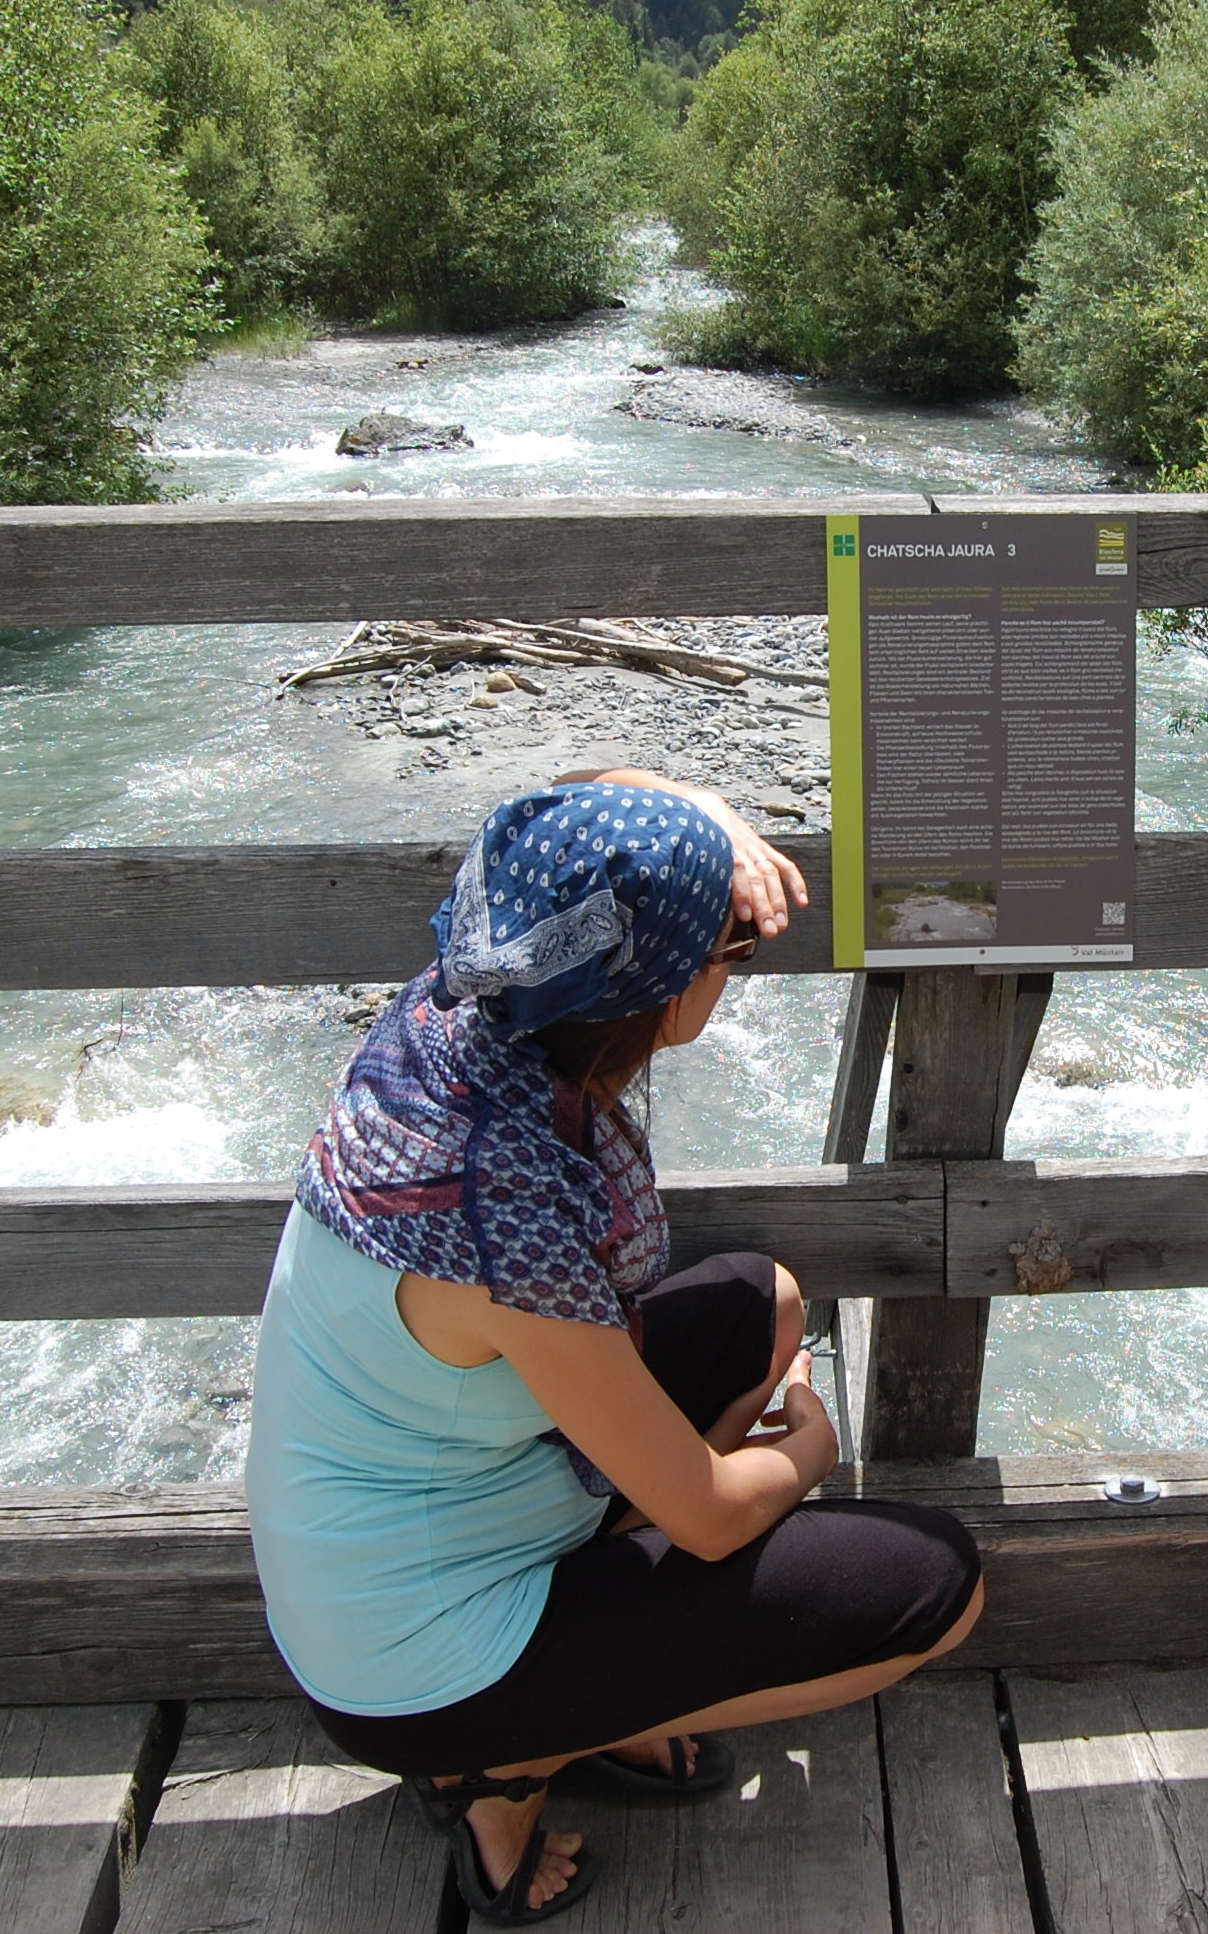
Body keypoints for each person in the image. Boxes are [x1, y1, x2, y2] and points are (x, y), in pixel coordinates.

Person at [247, 770, 985, 1925]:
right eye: (726, 950)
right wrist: (813, 1448)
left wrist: (720, 829)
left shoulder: (477, 987)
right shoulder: (505, 1217)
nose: (731, 964)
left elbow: (587, 796)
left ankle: (585, 1686)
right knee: (940, 1584)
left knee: (764, 1303)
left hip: (406, 1536)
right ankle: (506, 1762)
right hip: (415, 1660)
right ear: (658, 990)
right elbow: (707, 1511)